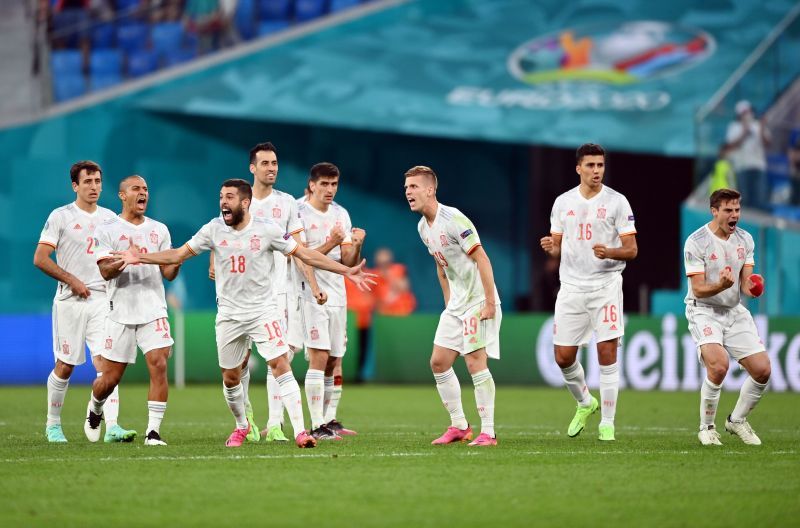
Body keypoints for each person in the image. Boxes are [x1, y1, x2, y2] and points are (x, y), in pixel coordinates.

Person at [113, 179, 376, 447]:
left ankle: (300, 431)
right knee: (230, 377)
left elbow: (306, 255)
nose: (223, 202)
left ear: (245, 202)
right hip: (228, 315)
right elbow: (177, 254)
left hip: (263, 311)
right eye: (221, 197)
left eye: (229, 197)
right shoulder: (213, 229)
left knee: (280, 365)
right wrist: (140, 258)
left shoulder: (268, 230)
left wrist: (345, 270)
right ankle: (242, 426)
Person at [539, 143, 638, 442]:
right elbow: (557, 246)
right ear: (578, 168)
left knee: (606, 353)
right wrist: (551, 247)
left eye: (601, 165)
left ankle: (607, 422)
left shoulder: (617, 202)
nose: (597, 171)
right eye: (591, 165)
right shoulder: (562, 202)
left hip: (605, 285)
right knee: (563, 357)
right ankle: (585, 402)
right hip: (571, 287)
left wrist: (609, 251)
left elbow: (632, 250)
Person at [210, 142, 307, 444]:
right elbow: (220, 236)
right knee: (239, 364)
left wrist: (311, 285)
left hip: (275, 293)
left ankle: (276, 423)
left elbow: (300, 249)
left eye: (275, 162)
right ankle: (247, 420)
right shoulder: (237, 199)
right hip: (234, 296)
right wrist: (214, 261)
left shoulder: (288, 203)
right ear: (252, 168)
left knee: (276, 360)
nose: (272, 168)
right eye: (265, 163)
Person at [34, 161, 136, 443]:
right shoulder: (61, 216)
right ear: (75, 186)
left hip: (102, 301)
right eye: (88, 181)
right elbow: (40, 258)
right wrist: (71, 280)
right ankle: (53, 425)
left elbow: (116, 257)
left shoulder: (111, 219)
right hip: (70, 302)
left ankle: (112, 426)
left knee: (107, 364)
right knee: (65, 366)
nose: (94, 186)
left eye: (98, 181)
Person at [404, 165, 501, 447]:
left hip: (478, 300)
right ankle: (459, 425)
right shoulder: (423, 227)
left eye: (413, 187)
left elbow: (482, 258)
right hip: (457, 305)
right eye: (406, 187)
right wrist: (448, 301)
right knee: (438, 362)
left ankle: (489, 432)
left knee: (474, 361)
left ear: (430, 190)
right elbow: (440, 265)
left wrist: (490, 303)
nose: (408, 192)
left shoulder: (455, 219)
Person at [85, 175, 179, 446]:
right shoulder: (107, 229)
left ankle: (153, 432)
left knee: (159, 365)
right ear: (122, 195)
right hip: (120, 311)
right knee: (110, 380)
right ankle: (95, 406)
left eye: (146, 189)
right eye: (136, 189)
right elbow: (104, 271)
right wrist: (124, 261)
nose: (143, 193)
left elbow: (168, 274)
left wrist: (178, 260)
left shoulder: (159, 230)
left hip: (154, 309)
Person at [684, 188, 771, 446]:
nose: (735, 215)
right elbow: (698, 288)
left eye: (737, 210)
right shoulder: (696, 242)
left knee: (762, 370)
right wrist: (721, 285)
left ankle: (737, 420)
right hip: (703, 309)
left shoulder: (745, 240)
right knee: (719, 365)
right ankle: (706, 427)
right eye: (728, 210)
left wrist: (753, 287)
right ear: (714, 211)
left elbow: (745, 284)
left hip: (733, 311)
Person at [296, 162, 365, 440]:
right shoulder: (298, 211)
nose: (329, 189)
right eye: (324, 184)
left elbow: (348, 260)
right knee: (319, 355)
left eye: (334, 184)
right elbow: (300, 255)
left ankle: (329, 420)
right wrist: (331, 242)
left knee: (335, 358)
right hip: (309, 290)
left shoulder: (341, 214)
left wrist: (355, 244)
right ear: (312, 185)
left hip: (337, 290)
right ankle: (316, 424)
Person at [725, 100, 771, 210]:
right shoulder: (734, 127)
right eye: (745, 112)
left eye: (749, 111)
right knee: (744, 199)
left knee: (759, 199)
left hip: (758, 166)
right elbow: (731, 145)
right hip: (742, 167)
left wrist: (762, 127)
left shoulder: (758, 125)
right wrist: (745, 131)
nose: (748, 114)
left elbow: (767, 143)